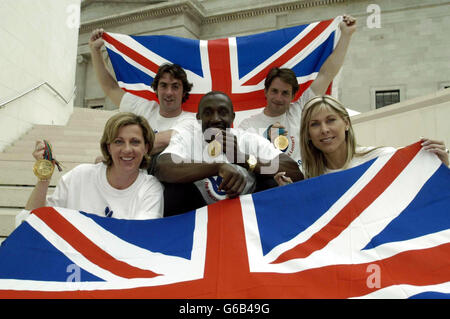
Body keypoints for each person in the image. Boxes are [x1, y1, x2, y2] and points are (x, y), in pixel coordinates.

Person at [155, 91, 303, 216]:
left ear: (232, 117)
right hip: (200, 215)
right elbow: (162, 167)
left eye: (222, 112)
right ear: (198, 118)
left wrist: (243, 159)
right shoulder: (188, 138)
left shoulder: (248, 138)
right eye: (208, 113)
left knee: (272, 183)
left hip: (245, 215)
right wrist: (217, 167)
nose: (215, 119)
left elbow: (293, 172)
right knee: (175, 191)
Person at [238, 15, 356, 168]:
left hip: (307, 182)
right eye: (274, 91)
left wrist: (346, 35)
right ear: (266, 92)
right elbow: (242, 162)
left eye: (285, 93)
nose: (279, 98)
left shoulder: (301, 110)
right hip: (269, 189)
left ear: (293, 96)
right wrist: (266, 144)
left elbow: (327, 74)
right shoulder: (248, 126)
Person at [19, 112, 164, 222]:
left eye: (135, 142)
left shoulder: (150, 188)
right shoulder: (79, 176)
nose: (127, 149)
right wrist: (44, 178)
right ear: (108, 147)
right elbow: (30, 222)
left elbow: (140, 236)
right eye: (118, 142)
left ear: (146, 148)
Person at [275, 95, 450, 184]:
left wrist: (441, 168)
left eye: (330, 120)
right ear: (308, 135)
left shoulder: (382, 158)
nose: (324, 130)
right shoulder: (309, 179)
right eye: (314, 124)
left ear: (346, 123)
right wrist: (289, 196)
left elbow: (419, 191)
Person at [89, 29, 195, 154]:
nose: (169, 92)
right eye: (163, 86)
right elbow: (111, 88)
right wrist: (95, 51)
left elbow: (160, 142)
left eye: (175, 87)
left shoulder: (191, 121)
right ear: (156, 89)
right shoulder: (145, 107)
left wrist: (116, 153)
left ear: (184, 92)